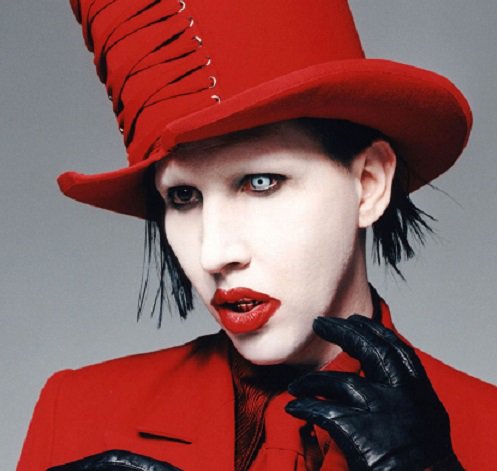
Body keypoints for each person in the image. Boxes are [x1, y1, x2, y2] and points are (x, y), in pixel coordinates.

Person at [18, 1, 497, 470]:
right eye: (183, 196)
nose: (214, 253)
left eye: (261, 182)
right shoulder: (76, 414)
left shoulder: (487, 430)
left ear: (368, 183)